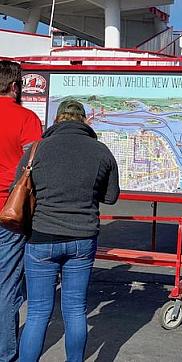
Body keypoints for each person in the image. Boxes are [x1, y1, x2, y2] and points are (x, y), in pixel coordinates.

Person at [16, 100, 120, 362]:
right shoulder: (101, 151)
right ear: (84, 120)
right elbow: (111, 197)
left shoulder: (35, 150)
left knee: (38, 312)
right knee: (75, 310)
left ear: (57, 120)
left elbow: (16, 189)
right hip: (82, 239)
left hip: (41, 237)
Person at [0, 60, 42, 362]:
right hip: (9, 211)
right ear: (16, 87)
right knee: (6, 283)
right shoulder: (27, 118)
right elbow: (34, 168)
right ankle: (5, 353)